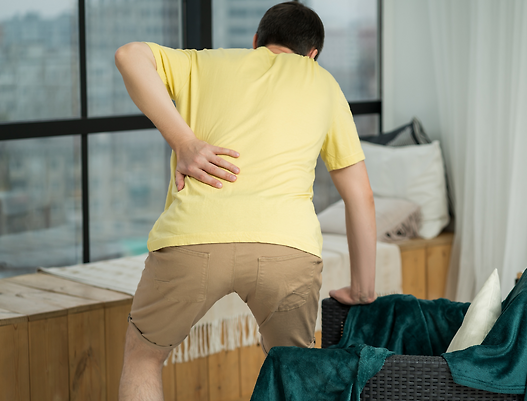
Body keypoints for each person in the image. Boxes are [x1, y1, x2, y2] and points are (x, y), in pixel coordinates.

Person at [114, 2, 376, 400]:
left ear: (256, 41)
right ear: (312, 55)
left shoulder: (205, 63)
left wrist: (183, 141)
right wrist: (362, 290)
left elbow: (129, 54)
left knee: (143, 357)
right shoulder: (324, 83)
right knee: (294, 372)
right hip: (288, 248)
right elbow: (360, 195)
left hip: (193, 237)